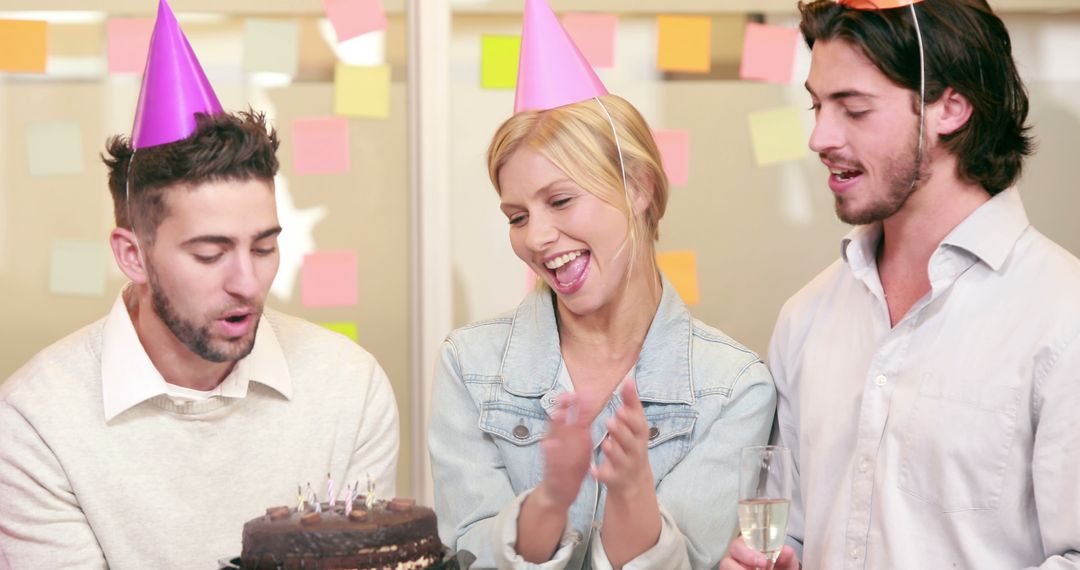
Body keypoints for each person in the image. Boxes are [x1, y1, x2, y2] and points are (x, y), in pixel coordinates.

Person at [0, 2, 398, 567]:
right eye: (210, 254)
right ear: (132, 255)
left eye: (264, 247)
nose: (247, 282)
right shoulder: (36, 422)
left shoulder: (349, 388)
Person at [722, 0, 1080, 568]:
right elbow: (790, 532)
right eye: (816, 105)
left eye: (854, 109)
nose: (818, 137)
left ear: (951, 108)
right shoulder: (806, 317)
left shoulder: (1064, 317)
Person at [428, 1, 775, 568]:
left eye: (560, 200)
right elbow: (473, 555)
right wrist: (549, 503)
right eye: (516, 216)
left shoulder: (733, 388)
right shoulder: (469, 367)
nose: (537, 237)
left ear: (638, 186)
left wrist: (631, 494)